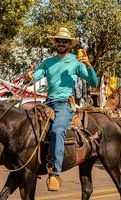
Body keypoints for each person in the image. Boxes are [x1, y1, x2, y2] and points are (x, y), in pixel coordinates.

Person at [26, 27, 98, 191]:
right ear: (55, 43)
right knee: (25, 124)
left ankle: (55, 174)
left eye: (64, 41)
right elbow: (36, 75)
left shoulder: (75, 61)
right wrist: (29, 76)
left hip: (64, 103)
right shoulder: (48, 62)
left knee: (57, 131)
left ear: (69, 44)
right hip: (46, 103)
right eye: (58, 40)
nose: (60, 43)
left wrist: (88, 66)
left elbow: (94, 82)